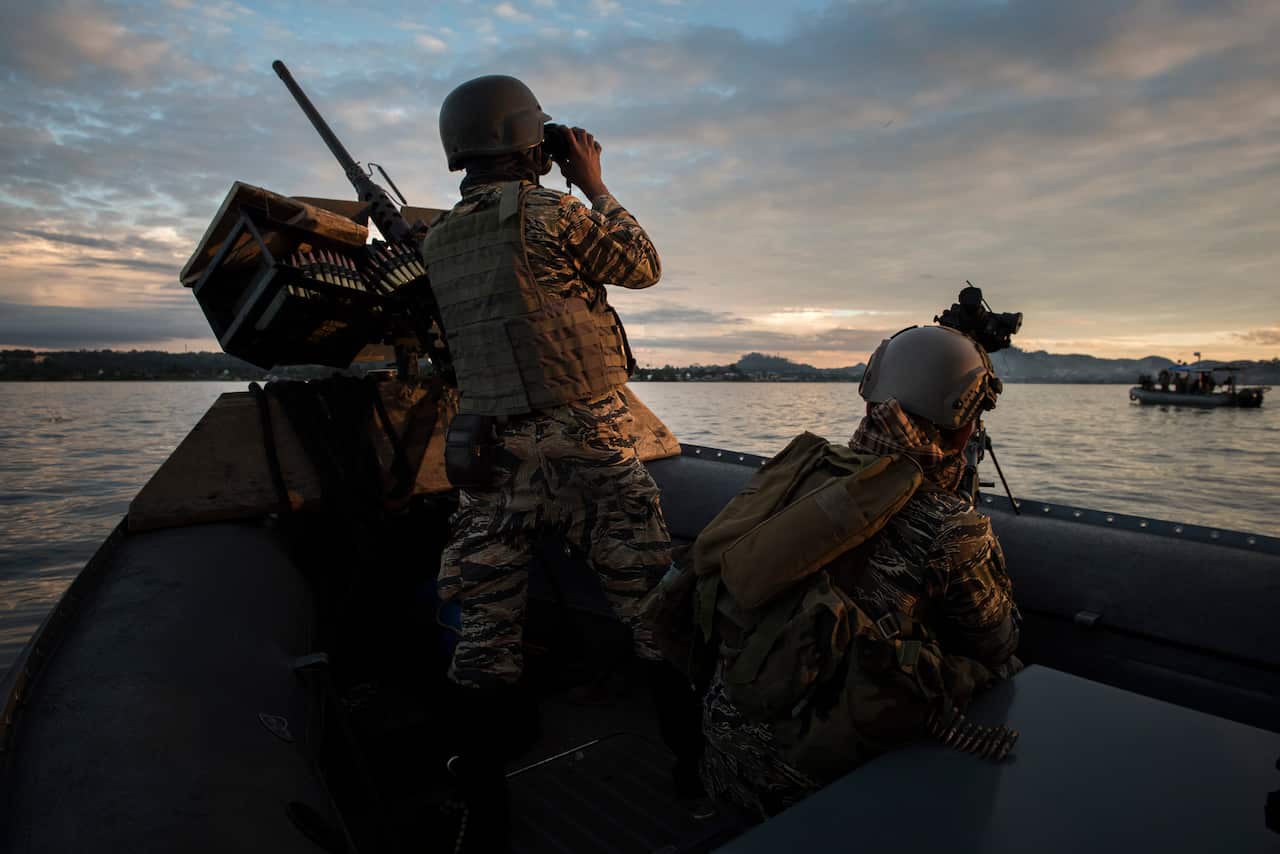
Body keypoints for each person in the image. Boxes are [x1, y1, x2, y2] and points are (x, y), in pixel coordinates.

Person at [419, 75, 698, 847]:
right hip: (592, 447)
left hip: (496, 458)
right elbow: (641, 266)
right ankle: (695, 776)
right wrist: (594, 181)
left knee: (483, 638)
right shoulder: (553, 212)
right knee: (653, 613)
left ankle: (483, 813)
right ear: (528, 141)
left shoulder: (440, 241)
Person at [697, 325, 1022, 819]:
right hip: (812, 788)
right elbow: (998, 643)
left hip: (722, 756)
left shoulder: (805, 473)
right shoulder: (951, 526)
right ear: (963, 423)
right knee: (1000, 671)